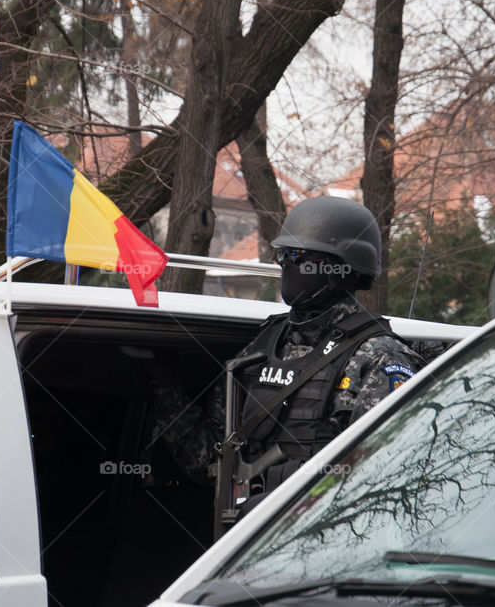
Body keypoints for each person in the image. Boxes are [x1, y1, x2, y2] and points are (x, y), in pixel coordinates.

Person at [152, 196, 422, 518]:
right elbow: (209, 462)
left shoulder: (377, 359)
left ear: (339, 266)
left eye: (296, 255)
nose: (283, 263)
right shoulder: (260, 349)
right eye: (282, 254)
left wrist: (293, 508)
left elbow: (383, 480)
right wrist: (162, 382)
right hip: (241, 545)